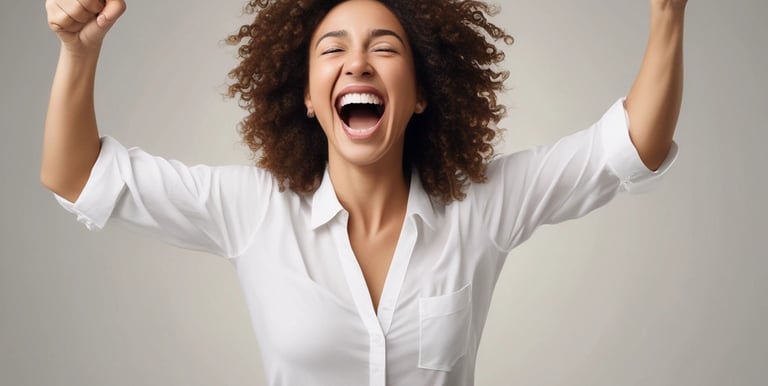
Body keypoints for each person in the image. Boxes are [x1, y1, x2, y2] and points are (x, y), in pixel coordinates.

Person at [41, 0, 686, 385]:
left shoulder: (482, 206)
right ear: (307, 97)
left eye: (385, 48)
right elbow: (79, 176)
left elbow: (630, 147)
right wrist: (78, 51)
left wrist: (668, 13)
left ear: (423, 92)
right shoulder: (255, 210)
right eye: (332, 49)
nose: (358, 64)